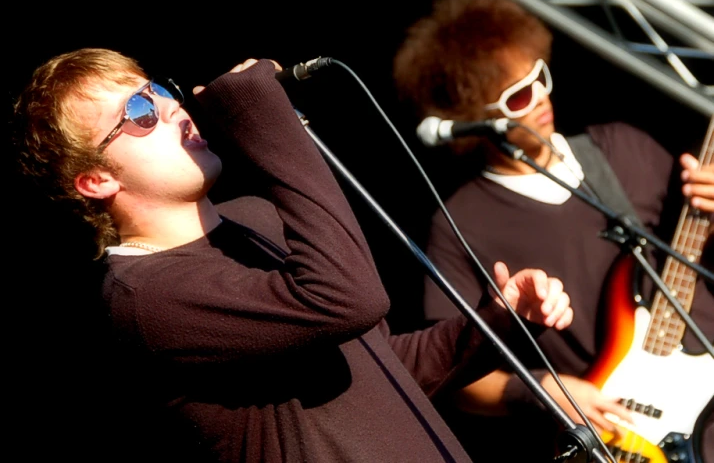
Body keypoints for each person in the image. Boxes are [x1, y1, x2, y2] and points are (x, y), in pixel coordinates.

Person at [12, 48, 575, 462]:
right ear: (94, 182)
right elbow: (347, 299)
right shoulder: (144, 298)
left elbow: (376, 372)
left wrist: (495, 321)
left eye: (158, 89)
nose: (171, 108)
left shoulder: (255, 218)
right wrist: (262, 112)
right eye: (137, 111)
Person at [392, 0, 714, 462]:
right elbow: (452, 374)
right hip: (621, 436)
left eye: (539, 76)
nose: (541, 96)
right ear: (476, 118)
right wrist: (544, 388)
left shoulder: (623, 147)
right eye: (519, 96)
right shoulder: (459, 224)